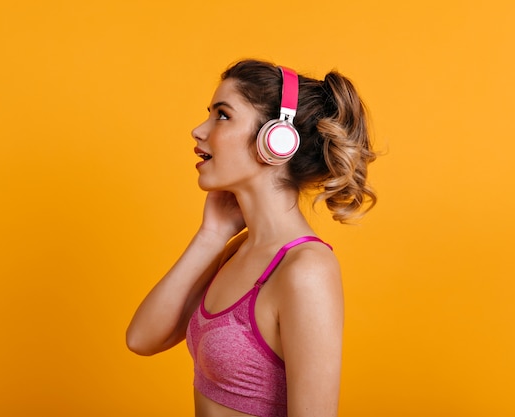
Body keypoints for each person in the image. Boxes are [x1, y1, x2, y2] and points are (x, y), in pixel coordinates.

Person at [126, 59, 377, 417]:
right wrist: (211, 236)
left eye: (223, 115)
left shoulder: (306, 271)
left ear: (277, 138)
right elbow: (142, 339)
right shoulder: (236, 251)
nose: (199, 131)